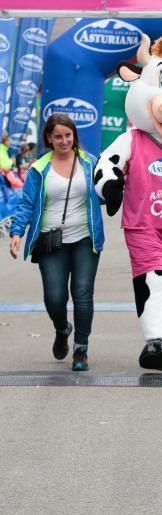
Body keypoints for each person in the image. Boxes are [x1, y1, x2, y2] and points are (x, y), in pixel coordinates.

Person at [8, 113, 105, 370]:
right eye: (58, 136)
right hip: (51, 241)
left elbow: (104, 194)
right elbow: (26, 204)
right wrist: (17, 232)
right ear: (49, 138)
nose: (64, 141)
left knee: (83, 293)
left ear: (74, 136)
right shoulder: (39, 168)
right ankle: (63, 329)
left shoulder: (90, 163)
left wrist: (118, 183)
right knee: (54, 297)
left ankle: (81, 349)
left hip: (85, 238)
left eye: (68, 136)